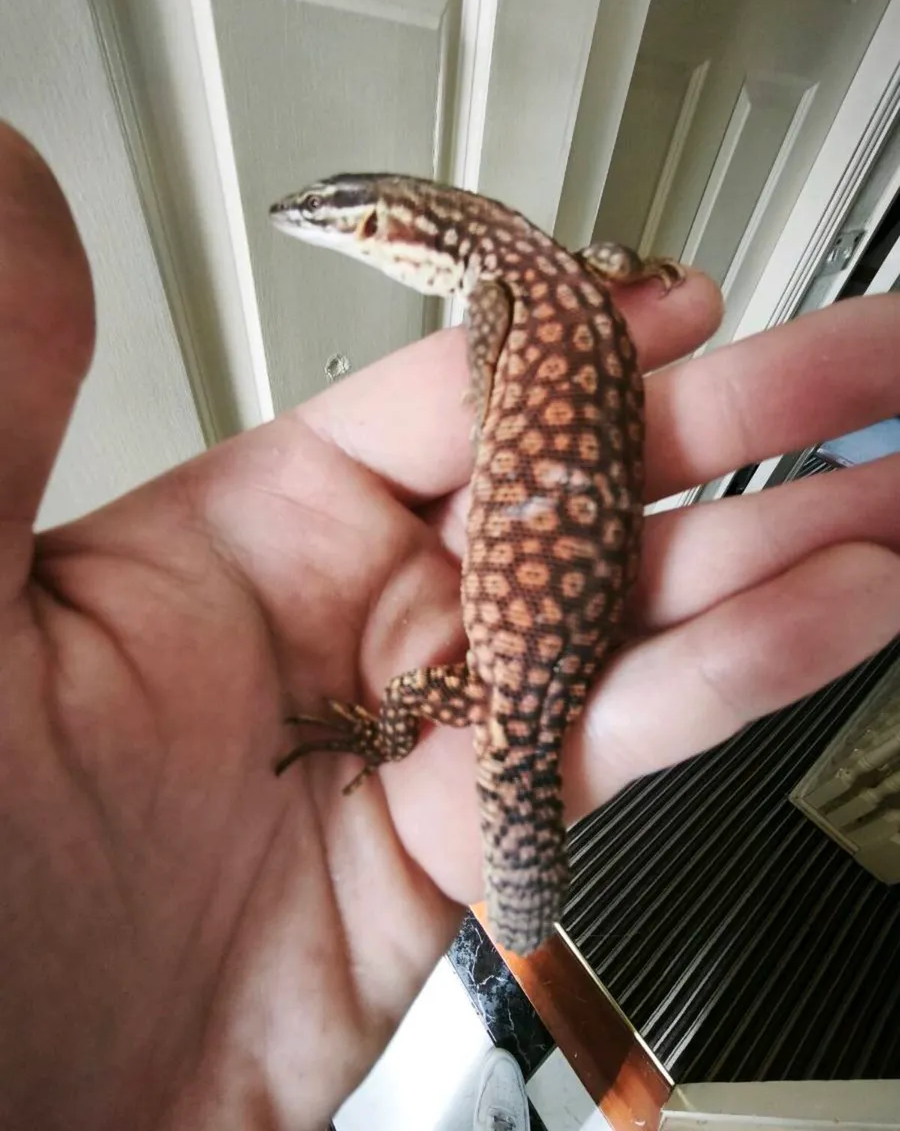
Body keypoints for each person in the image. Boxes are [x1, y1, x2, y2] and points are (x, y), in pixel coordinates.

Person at [0, 120, 897, 1131]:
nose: (316, 229)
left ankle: (413, 769)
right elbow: (607, 265)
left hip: (567, 628)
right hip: (560, 619)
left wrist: (489, 391)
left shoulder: (500, 300)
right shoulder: (558, 271)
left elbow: (496, 365)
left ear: (399, 236)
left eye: (341, 226)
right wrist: (600, 299)